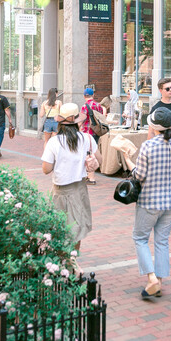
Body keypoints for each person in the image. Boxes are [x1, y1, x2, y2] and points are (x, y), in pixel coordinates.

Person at [127, 108, 171, 299]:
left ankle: (151, 278)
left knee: (140, 238)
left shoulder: (148, 146)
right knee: (162, 240)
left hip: (150, 200)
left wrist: (127, 160)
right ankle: (159, 280)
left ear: (154, 126)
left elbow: (140, 175)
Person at [41, 103, 101, 253]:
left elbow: (46, 169)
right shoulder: (87, 139)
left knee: (58, 229)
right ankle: (73, 259)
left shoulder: (54, 142)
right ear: (77, 122)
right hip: (79, 189)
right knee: (77, 229)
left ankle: (63, 263)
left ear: (60, 122)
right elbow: (100, 160)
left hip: (60, 191)